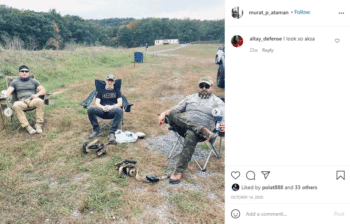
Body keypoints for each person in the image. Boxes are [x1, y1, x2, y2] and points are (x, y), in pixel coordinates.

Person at [158, 76, 225, 184]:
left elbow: (224, 116)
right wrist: (162, 113)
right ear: (198, 87)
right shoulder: (190, 98)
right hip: (184, 128)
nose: (204, 88)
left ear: (212, 88)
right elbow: (174, 110)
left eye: (207, 86)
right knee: (172, 113)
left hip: (199, 135)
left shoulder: (216, 102)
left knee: (191, 133)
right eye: (201, 86)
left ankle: (179, 170)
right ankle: (201, 129)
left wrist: (224, 124)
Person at [5, 65, 46, 134]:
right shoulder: (14, 82)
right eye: (22, 71)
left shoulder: (34, 81)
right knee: (16, 105)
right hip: (22, 101)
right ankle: (27, 126)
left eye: (26, 71)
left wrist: (36, 95)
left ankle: (38, 124)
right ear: (19, 73)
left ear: (28, 73)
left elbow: (43, 90)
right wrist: (5, 95)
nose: (24, 73)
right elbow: (8, 92)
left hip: (32, 100)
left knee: (40, 101)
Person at [87, 74, 123, 143]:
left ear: (114, 82)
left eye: (111, 81)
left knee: (119, 110)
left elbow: (120, 103)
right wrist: (103, 107)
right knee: (90, 109)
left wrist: (111, 107)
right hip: (102, 111)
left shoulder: (117, 91)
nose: (109, 82)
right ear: (105, 81)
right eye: (108, 80)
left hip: (113, 111)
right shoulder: (101, 91)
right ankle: (96, 130)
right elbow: (97, 103)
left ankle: (112, 133)